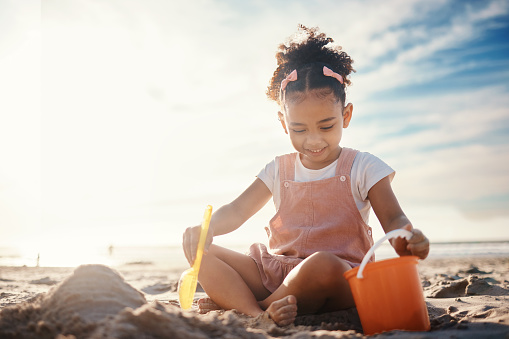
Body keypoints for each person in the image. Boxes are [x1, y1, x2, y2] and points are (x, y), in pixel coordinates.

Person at [182, 25, 430, 326]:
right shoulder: (278, 169)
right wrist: (208, 229)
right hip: (276, 273)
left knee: (321, 264)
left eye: (326, 126)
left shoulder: (363, 166)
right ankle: (258, 315)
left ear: (346, 115)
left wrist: (407, 239)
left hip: (337, 277)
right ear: (284, 123)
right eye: (299, 129)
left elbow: (393, 220)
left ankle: (244, 303)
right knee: (199, 252)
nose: (314, 140)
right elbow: (236, 210)